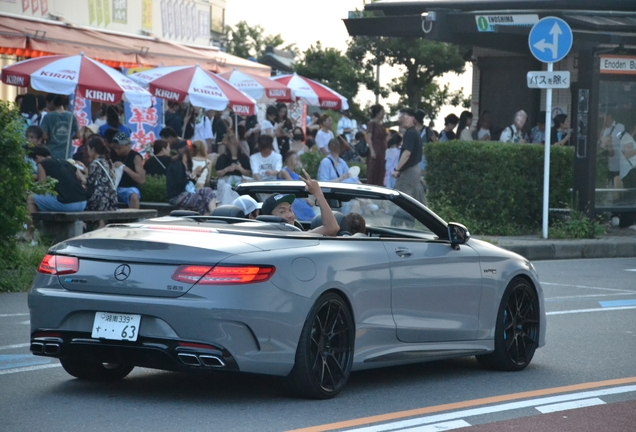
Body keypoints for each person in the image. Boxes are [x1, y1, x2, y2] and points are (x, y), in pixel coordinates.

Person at [26, 146, 87, 244]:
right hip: (82, 203)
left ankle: (29, 234)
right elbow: (82, 180)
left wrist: (35, 180)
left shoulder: (42, 164)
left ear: (37, 157)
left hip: (67, 204)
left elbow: (43, 188)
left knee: (31, 199)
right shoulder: (65, 162)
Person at [260, 169, 339, 236]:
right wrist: (318, 193)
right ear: (269, 218)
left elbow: (332, 228)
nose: (290, 215)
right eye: (282, 211)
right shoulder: (293, 238)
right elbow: (331, 227)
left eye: (290, 210)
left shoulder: (296, 235)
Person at [166, 142, 216, 214]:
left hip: (187, 192)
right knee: (199, 199)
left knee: (208, 191)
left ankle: (214, 213)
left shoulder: (188, 164)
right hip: (176, 195)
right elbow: (180, 184)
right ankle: (205, 219)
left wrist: (197, 176)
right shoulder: (177, 165)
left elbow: (189, 184)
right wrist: (193, 173)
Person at [392, 108, 425, 205]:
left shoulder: (410, 133)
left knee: (402, 200)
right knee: (413, 199)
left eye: (403, 116)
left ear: (413, 118)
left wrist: (397, 169)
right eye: (400, 117)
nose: (401, 119)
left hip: (409, 171)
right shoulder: (414, 132)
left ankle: (401, 220)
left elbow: (407, 153)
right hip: (414, 169)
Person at [85, 136, 118, 219]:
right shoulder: (106, 162)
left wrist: (78, 172)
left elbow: (88, 182)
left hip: (99, 200)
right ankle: (100, 223)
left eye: (88, 149)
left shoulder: (94, 164)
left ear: (93, 149)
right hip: (111, 199)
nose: (87, 152)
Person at [111, 132, 145, 209]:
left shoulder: (135, 157)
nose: (116, 150)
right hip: (113, 187)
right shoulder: (112, 154)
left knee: (134, 197)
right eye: (115, 148)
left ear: (127, 146)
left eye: (119, 148)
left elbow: (141, 180)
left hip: (129, 187)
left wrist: (125, 168)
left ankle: (133, 218)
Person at [40, 93, 79, 159]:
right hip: (67, 155)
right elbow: (78, 135)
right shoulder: (71, 116)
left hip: (51, 154)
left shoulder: (48, 117)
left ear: (52, 102)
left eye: (47, 102)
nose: (46, 105)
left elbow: (44, 136)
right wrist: (68, 137)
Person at [216, 133, 251, 204]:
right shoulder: (222, 158)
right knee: (227, 187)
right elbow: (218, 173)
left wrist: (240, 168)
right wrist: (227, 169)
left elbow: (248, 173)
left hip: (239, 180)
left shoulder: (244, 157)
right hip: (225, 181)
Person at [599, 112, 625, 185]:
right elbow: (605, 150)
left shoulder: (620, 127)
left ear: (609, 116)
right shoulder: (604, 132)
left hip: (622, 163)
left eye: (604, 117)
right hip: (612, 166)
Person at [365, 104, 388, 186]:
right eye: (382, 112)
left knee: (381, 171)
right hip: (375, 148)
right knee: (373, 171)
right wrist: (372, 150)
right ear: (377, 113)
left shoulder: (382, 125)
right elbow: (368, 137)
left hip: (382, 150)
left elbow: (385, 139)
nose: (383, 114)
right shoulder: (372, 124)